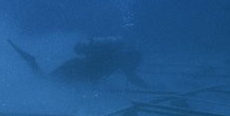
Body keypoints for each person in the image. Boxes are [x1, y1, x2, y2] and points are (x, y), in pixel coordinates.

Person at [9, 36, 148, 88]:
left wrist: (148, 86)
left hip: (81, 71)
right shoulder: (117, 53)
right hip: (75, 68)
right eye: (132, 61)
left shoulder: (121, 59)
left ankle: (31, 60)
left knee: (48, 81)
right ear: (130, 55)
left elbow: (132, 77)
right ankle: (31, 60)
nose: (131, 65)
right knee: (47, 81)